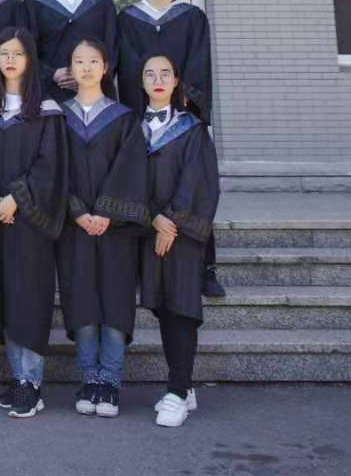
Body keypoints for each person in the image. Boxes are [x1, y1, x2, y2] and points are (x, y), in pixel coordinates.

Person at [116, 0, 224, 298]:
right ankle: (140, 265)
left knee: (195, 187)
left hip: (182, 121)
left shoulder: (192, 17)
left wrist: (186, 103)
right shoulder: (128, 19)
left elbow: (199, 64)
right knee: (142, 189)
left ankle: (205, 267)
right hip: (145, 120)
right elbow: (128, 68)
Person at [56, 37, 147, 419]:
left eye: (93, 61)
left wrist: (107, 212)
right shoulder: (57, 118)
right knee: (82, 302)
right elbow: (54, 171)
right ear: (70, 70)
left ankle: (110, 380)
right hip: (74, 227)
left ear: (106, 67)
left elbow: (132, 170)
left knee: (114, 302)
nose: (87, 67)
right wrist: (77, 211)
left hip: (116, 230)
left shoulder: (124, 118)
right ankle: (89, 378)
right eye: (79, 61)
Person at [0, 27, 66, 420]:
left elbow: (49, 167)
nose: (11, 60)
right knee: (6, 299)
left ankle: (32, 382)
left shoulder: (46, 112)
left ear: (30, 59)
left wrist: (15, 198)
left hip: (31, 223)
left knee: (29, 300)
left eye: (18, 53)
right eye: (4, 53)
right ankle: (18, 378)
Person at [138, 52, 220, 429]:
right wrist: (153, 218)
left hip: (183, 235)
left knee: (183, 308)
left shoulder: (192, 129)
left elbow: (199, 181)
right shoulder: (132, 129)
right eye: (150, 74)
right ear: (141, 83)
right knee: (164, 308)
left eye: (165, 74)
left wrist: (172, 221)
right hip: (149, 230)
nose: (158, 80)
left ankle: (177, 389)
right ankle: (183, 388)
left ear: (176, 82)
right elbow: (128, 181)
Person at [26, 0, 117, 102]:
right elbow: (27, 52)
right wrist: (52, 74)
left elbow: (112, 51)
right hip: (50, 97)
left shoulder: (102, 5)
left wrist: (87, 74)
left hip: (94, 96)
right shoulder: (33, 5)